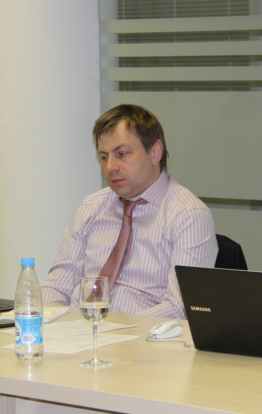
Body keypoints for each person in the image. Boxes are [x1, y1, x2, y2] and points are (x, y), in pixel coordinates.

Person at [41, 104, 218, 319]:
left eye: (122, 154)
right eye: (104, 157)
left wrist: (118, 332)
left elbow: (180, 307)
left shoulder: (188, 214)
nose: (110, 167)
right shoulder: (91, 207)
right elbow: (57, 285)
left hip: (144, 335)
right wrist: (49, 322)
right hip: (79, 329)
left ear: (155, 152)